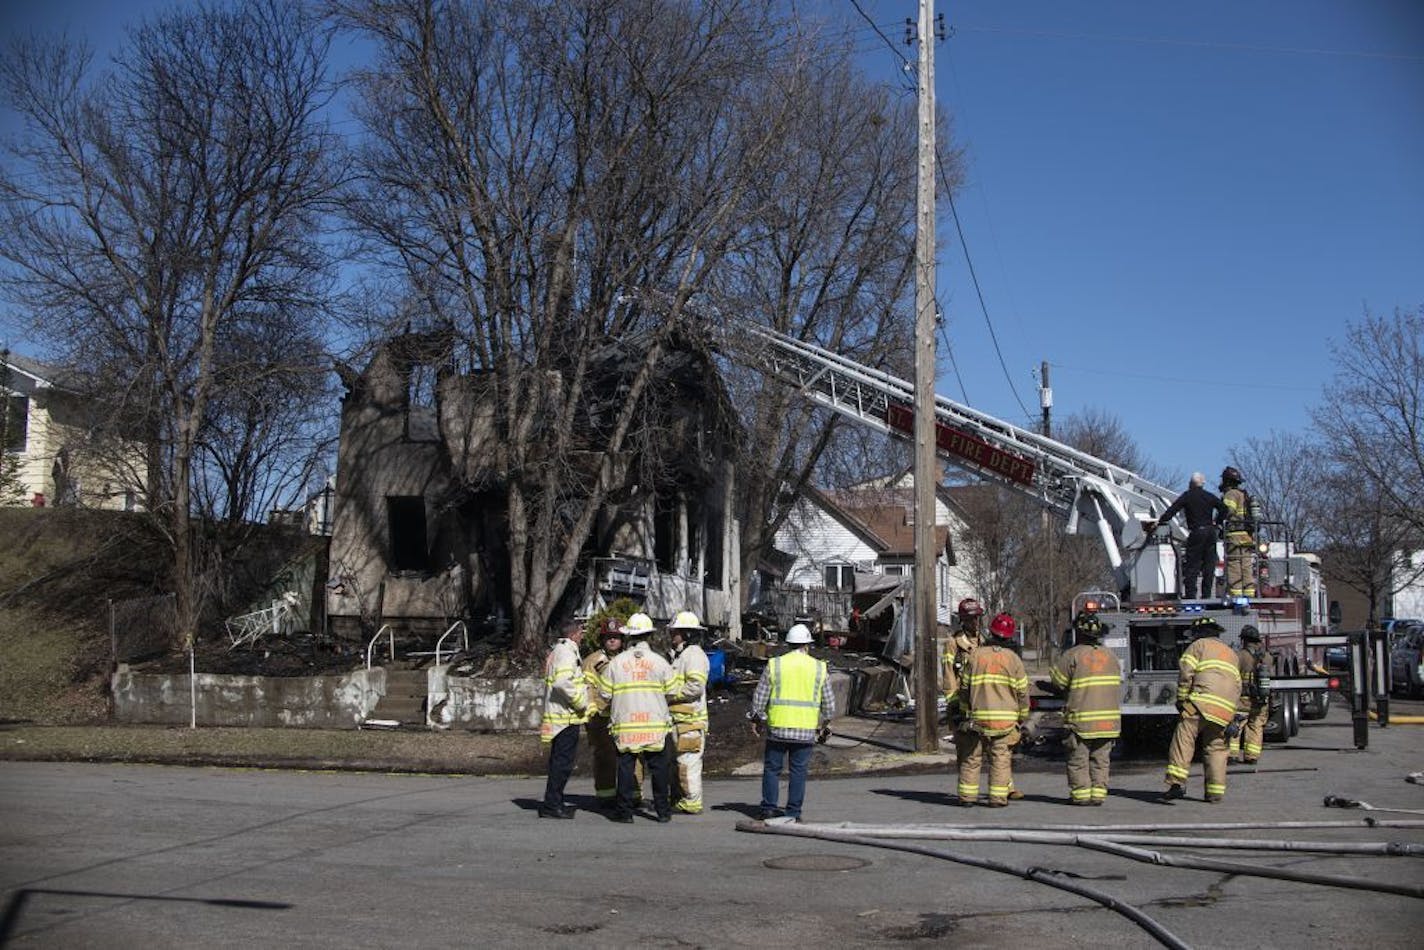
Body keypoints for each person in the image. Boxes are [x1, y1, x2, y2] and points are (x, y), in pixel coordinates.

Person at [595, 612, 680, 823]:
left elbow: (604, 694)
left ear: (628, 637)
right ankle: (663, 812)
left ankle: (624, 813)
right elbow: (673, 690)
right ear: (649, 636)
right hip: (654, 727)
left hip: (626, 727)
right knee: (659, 769)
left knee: (625, 769)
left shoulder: (616, 663)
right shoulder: (659, 662)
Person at [749, 623, 835, 822]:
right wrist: (826, 723)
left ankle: (769, 808)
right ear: (807, 645)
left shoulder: (775, 664)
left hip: (778, 728)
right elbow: (829, 703)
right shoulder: (819, 667)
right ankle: (793, 813)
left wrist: (756, 718)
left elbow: (760, 696)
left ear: (788, 644)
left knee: (772, 769)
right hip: (805, 731)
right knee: (798, 771)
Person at [949, 612, 1029, 807]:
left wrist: (964, 710)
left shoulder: (975, 656)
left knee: (971, 758)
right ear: (1010, 636)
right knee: (1000, 759)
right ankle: (997, 798)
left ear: (991, 631)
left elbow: (965, 687)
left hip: (977, 720)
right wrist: (1022, 715)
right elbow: (1022, 692)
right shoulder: (1014, 660)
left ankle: (967, 798)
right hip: (1005, 722)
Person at [1162, 616, 1243, 803]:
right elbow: (1237, 685)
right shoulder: (1231, 653)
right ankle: (1215, 793)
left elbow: (1186, 673)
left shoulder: (1197, 646)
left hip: (1200, 704)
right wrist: (1233, 713)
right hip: (1225, 710)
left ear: (1198, 634)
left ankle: (1176, 784)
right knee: (1217, 748)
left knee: (1184, 739)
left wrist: (1181, 699)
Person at [1048, 611, 1122, 806]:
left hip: (1081, 721)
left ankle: (1081, 796)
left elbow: (1059, 683)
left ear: (1079, 633)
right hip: (1109, 722)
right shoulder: (1111, 656)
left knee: (1078, 759)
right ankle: (1098, 795)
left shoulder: (1072, 655)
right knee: (1101, 760)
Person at [581, 618, 641, 809]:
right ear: (602, 640)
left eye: (616, 637)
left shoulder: (632, 659)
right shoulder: (592, 661)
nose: (612, 641)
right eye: (609, 637)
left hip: (627, 716)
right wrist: (591, 711)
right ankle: (605, 795)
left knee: (634, 755)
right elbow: (586, 687)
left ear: (623, 639)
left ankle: (633, 794)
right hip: (602, 716)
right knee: (604, 756)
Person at [1145, 472, 1229, 599]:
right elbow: (1224, 508)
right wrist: (1217, 523)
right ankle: (1206, 596)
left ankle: (1191, 595)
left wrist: (1160, 521)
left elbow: (1172, 510)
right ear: (1203, 483)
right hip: (1211, 533)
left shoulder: (1187, 496)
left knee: (1192, 565)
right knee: (1209, 566)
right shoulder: (1209, 496)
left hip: (1196, 533)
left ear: (1190, 484)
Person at [538, 620, 588, 819]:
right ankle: (552, 805)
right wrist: (580, 702)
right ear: (575, 634)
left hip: (559, 715)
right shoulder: (567, 652)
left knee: (559, 762)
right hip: (565, 717)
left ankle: (555, 802)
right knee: (562, 764)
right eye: (581, 633)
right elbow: (562, 682)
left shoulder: (558, 650)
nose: (583, 636)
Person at [667, 610, 710, 815]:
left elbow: (695, 686)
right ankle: (683, 797)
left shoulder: (693, 655)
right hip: (680, 722)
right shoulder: (682, 655)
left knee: (688, 764)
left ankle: (691, 801)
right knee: (681, 763)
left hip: (691, 722)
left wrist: (671, 695)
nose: (671, 635)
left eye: (675, 632)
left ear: (686, 634)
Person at [1231, 626, 1271, 765]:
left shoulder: (1239, 656)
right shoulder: (1267, 657)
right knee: (1256, 726)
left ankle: (1232, 755)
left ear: (1244, 640)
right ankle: (1252, 756)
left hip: (1243, 699)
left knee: (1238, 724)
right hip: (1261, 699)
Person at [1219, 466, 1258, 598]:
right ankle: (1249, 593)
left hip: (1234, 536)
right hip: (1246, 536)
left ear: (1227, 481)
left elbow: (1228, 510)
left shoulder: (1231, 494)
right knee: (1246, 566)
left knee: (1234, 565)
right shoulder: (1243, 494)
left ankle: (1236, 595)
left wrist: (1217, 520)